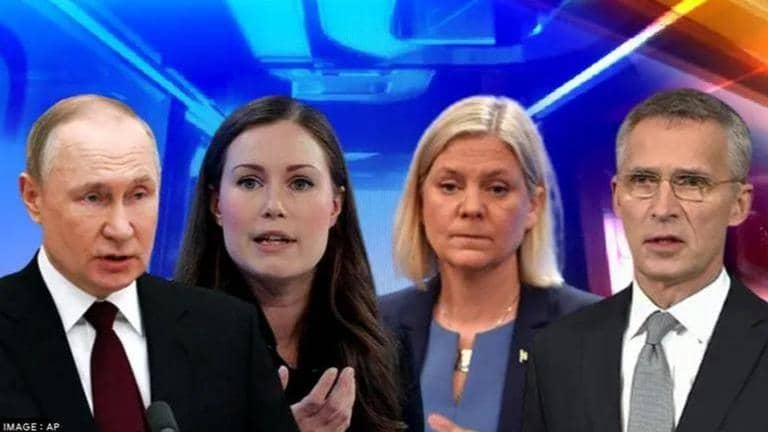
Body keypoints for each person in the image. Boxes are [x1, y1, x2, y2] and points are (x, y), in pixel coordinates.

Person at [0, 95, 298, 431]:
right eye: (93, 198)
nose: (120, 229)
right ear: (33, 197)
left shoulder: (228, 331)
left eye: (139, 195)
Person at [523, 88, 764, 432]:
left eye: (692, 182)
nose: (663, 209)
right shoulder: (556, 350)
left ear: (738, 204)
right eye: (642, 181)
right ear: (617, 197)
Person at [175, 95, 419, 432]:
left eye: (300, 183)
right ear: (216, 204)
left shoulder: (386, 348)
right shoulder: (161, 345)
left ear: (335, 206)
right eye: (249, 182)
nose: (274, 206)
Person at [380, 95, 598, 432]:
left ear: (533, 205)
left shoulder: (594, 331)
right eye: (449, 186)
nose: (471, 208)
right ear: (420, 199)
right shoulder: (373, 327)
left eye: (497, 189)